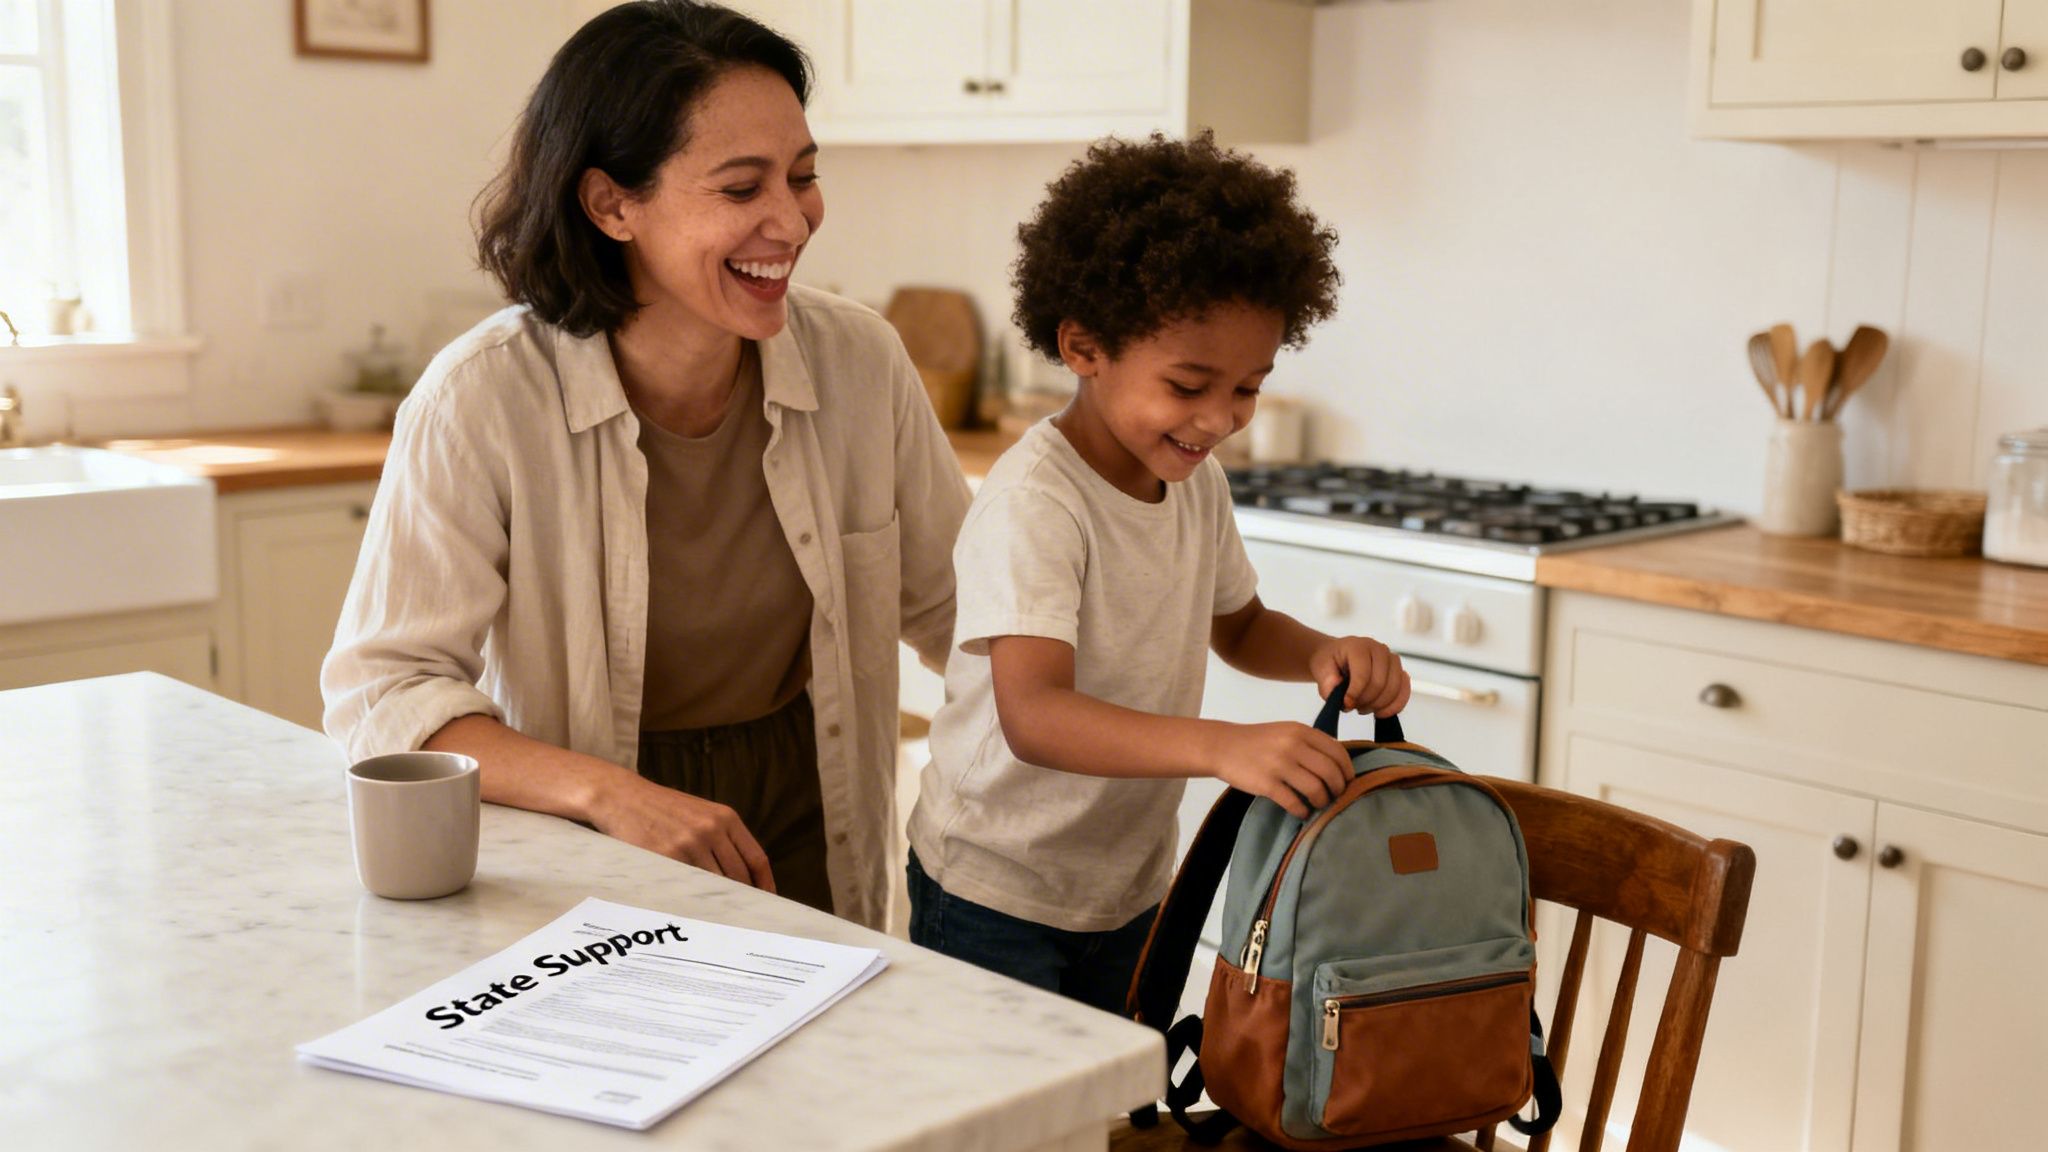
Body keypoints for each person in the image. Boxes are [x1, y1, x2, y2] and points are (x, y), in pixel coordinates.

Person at [322, 0, 970, 928]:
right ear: (612, 204)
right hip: (583, 806)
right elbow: (385, 692)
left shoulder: (860, 361)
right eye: (742, 189)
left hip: (807, 782)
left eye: (804, 176)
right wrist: (607, 793)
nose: (791, 221)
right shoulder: (482, 397)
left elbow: (960, 612)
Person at [904, 133, 1412, 1010]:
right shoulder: (1038, 501)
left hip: (1124, 880)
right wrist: (1223, 746)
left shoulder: (1193, 481)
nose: (1219, 418)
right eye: (1188, 385)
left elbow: (1241, 625)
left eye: (1247, 388)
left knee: (1105, 1113)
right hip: (995, 887)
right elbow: (1036, 717)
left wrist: (1324, 652)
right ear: (1085, 346)